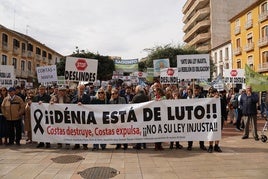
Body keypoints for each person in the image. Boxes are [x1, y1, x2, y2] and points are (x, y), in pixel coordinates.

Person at [187, 85, 207, 151]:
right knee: (191, 131)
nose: (196, 91)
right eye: (194, 90)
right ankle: (189, 145)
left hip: (200, 117)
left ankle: (202, 145)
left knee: (201, 131)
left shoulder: (202, 96)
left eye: (197, 90)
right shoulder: (189, 96)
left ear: (199, 90)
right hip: (191, 117)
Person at [72, 84, 91, 150]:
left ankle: (85, 144)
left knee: (84, 130)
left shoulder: (87, 97)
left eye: (83, 89)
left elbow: (89, 105)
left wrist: (82, 104)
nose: (81, 90)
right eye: (80, 89)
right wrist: (77, 103)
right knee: (76, 130)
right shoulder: (75, 96)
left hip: (84, 117)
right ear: (78, 89)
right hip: (76, 117)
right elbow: (72, 104)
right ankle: (76, 144)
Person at [132, 85, 149, 150]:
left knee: (138, 130)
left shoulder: (136, 97)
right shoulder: (146, 97)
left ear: (138, 90)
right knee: (144, 130)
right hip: (145, 115)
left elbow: (132, 105)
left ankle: (138, 145)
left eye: (136, 90)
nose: (135, 91)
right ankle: (144, 145)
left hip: (138, 115)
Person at [207, 88, 223, 153]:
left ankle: (216, 146)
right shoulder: (207, 99)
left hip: (219, 118)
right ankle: (210, 146)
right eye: (211, 93)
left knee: (218, 132)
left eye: (214, 93)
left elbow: (224, 107)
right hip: (210, 119)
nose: (213, 94)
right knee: (211, 132)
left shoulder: (220, 99)